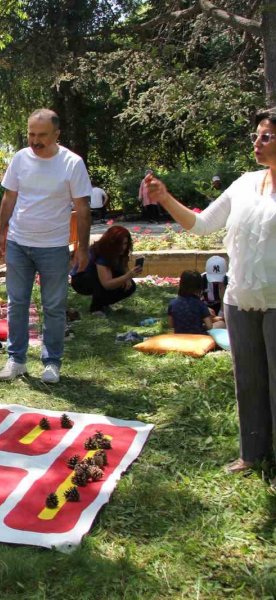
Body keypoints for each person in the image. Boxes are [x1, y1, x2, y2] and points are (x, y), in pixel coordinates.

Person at [145, 106, 276, 478]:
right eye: (256, 136)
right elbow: (201, 226)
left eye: (266, 136)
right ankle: (252, 455)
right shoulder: (245, 183)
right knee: (248, 381)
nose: (257, 142)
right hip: (240, 299)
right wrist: (165, 197)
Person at [0, 108, 92, 384]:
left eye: (42, 136)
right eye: (31, 134)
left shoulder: (72, 163)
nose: (35, 141)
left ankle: (51, 363)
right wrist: (2, 233)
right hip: (18, 244)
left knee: (53, 307)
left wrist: (82, 248)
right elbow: (9, 197)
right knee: (16, 304)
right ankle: (16, 360)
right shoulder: (20, 159)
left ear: (57, 135)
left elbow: (83, 209)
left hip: (53, 246)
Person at [70, 225, 141, 316]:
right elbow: (107, 284)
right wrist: (127, 276)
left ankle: (103, 303)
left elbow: (123, 265)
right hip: (80, 281)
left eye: (125, 243)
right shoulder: (102, 253)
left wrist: (127, 278)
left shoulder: (120, 251)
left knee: (130, 286)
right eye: (121, 244)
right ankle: (96, 308)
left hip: (96, 277)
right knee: (100, 278)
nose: (123, 247)